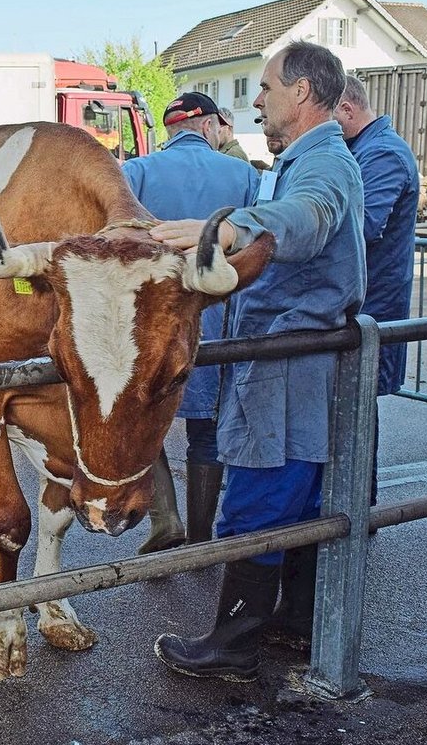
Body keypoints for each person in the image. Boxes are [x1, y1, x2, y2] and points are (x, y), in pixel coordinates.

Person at [149, 41, 366, 682]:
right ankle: (293, 625)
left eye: (267, 89)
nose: (259, 103)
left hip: (289, 358)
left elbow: (308, 219)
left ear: (301, 93)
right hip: (297, 354)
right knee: (296, 500)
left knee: (261, 495)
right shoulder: (309, 159)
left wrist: (226, 229)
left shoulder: (322, 164)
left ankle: (234, 643)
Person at [121, 92, 260, 551]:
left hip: (152, 323)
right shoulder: (243, 174)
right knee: (207, 431)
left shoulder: (136, 172)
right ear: (207, 127)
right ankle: (201, 536)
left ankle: (166, 521)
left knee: (147, 417)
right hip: (218, 319)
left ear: (172, 129)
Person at [336, 74, 420, 509]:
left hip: (372, 305)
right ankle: (350, 511)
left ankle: (354, 514)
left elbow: (361, 226)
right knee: (349, 410)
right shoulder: (365, 149)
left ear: (347, 110)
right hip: (364, 301)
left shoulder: (383, 153)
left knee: (355, 410)